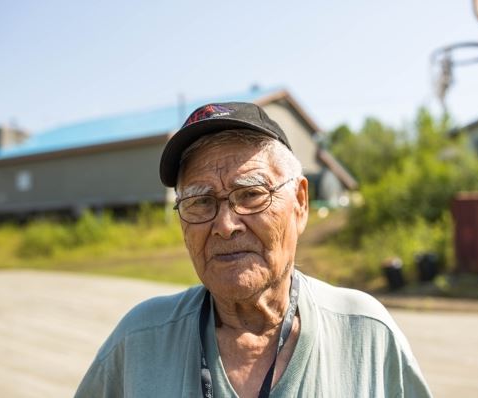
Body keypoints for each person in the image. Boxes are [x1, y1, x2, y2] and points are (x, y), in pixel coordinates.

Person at [75, 102, 433, 397]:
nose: (226, 225)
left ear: (300, 203)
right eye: (200, 201)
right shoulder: (140, 340)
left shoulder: (364, 333)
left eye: (251, 194)